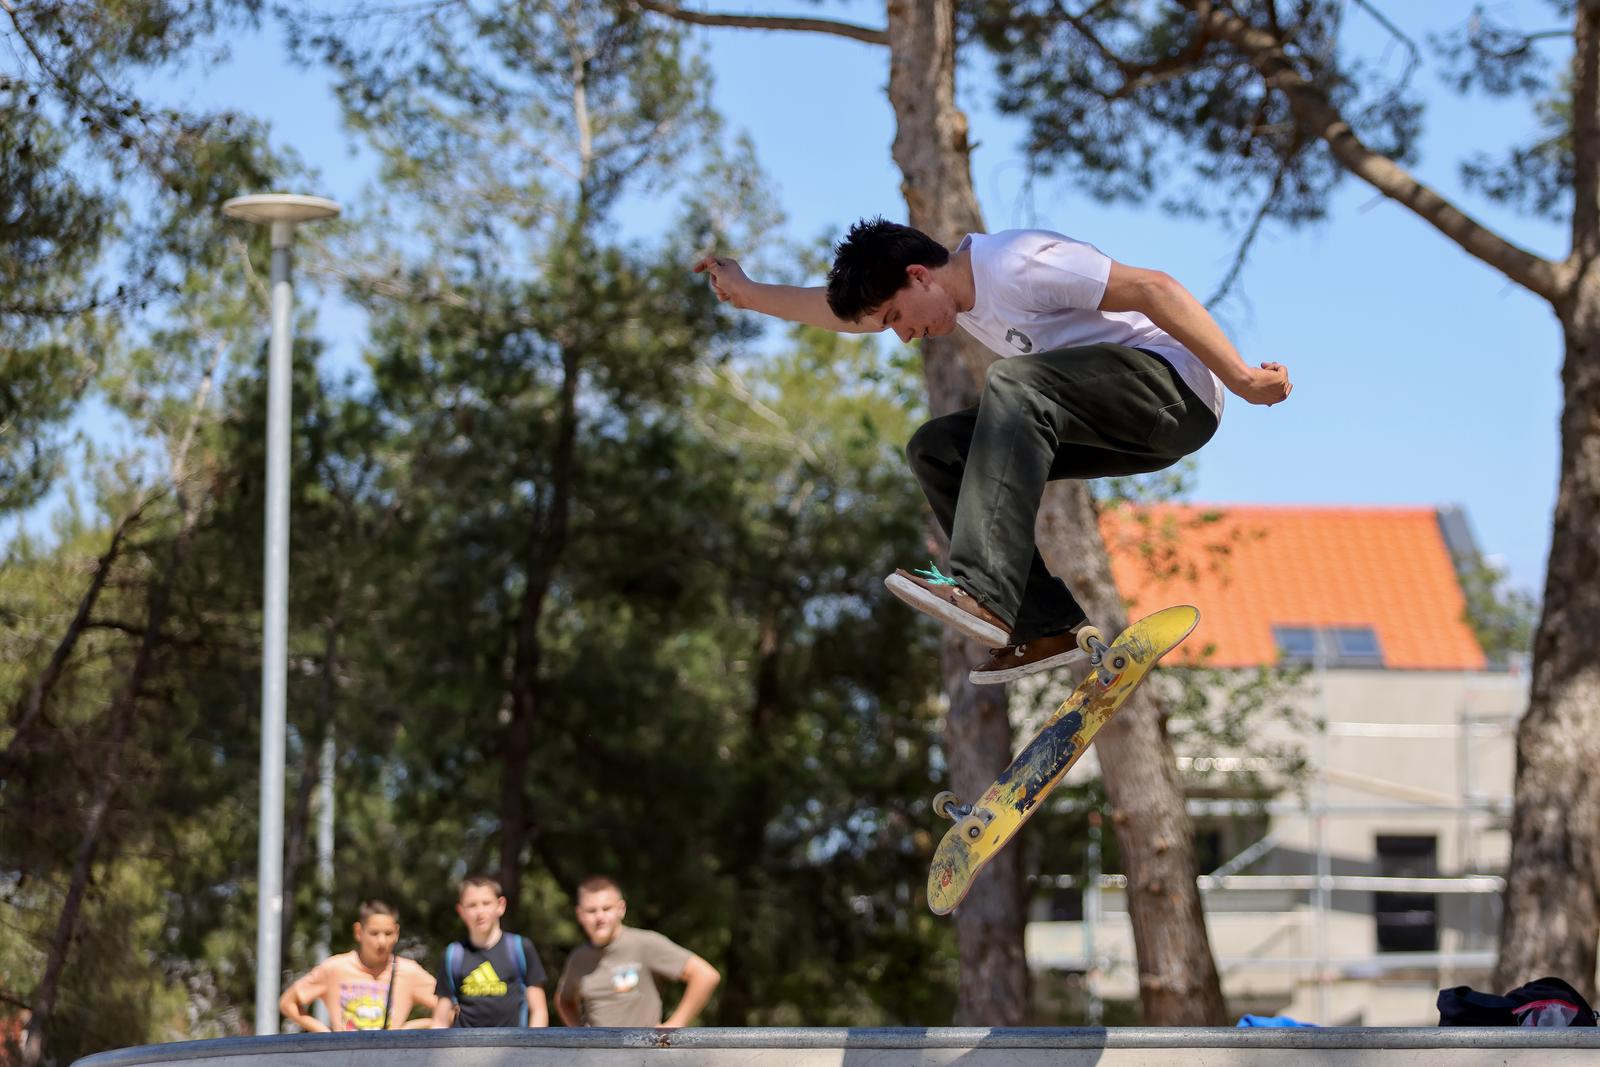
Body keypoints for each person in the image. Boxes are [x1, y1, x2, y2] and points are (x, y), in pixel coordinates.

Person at [694, 220, 1291, 684]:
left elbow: (1152, 287)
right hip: (1121, 428)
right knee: (937, 448)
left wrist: (1240, 377)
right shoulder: (946, 297)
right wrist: (747, 292)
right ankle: (1046, 626)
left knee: (1015, 382)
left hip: (1174, 393)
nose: (901, 335)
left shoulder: (1014, 263)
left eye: (897, 317)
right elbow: (839, 313)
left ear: (920, 275)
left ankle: (983, 592)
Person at [555, 876, 720, 1028]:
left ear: (621, 909)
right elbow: (564, 1001)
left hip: (644, 1055)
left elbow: (705, 976)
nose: (599, 917)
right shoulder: (578, 958)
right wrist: (580, 1036)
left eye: (606, 909)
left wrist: (674, 1025)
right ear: (580, 914)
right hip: (598, 1058)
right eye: (591, 911)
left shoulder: (644, 943)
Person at [278, 900, 438, 1031]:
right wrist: (323, 1032)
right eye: (374, 933)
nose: (381, 942)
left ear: (396, 933)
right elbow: (288, 1002)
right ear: (358, 932)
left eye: (388, 933)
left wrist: (411, 1027)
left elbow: (452, 1009)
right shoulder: (335, 968)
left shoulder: (409, 971)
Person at [431, 875, 550, 1028]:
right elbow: (440, 1019)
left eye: (486, 903)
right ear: (461, 911)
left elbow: (539, 1011)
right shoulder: (453, 955)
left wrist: (532, 1049)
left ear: (501, 905)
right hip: (464, 1050)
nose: (480, 912)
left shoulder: (520, 948)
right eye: (472, 905)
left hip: (513, 1049)